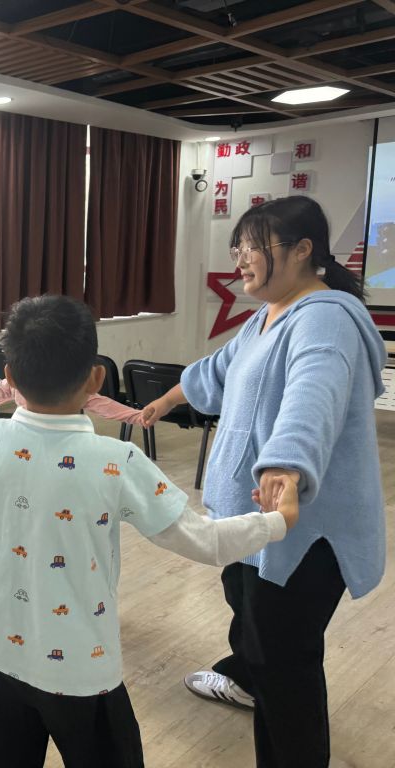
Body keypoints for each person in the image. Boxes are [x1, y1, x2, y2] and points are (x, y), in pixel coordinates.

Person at [0, 294, 301, 768]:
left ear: (9, 378)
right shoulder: (119, 462)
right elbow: (207, 542)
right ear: (96, 379)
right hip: (84, 672)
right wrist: (277, 521)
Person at [140, 196, 386, 768]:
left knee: (287, 669)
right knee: (255, 629)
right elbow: (216, 372)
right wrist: (165, 399)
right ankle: (246, 677)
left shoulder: (324, 318)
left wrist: (287, 464)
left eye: (254, 247)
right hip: (253, 521)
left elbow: (312, 392)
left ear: (302, 251)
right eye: (238, 247)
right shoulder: (268, 315)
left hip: (299, 528)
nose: (241, 259)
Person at [0, 377, 143, 431]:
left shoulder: (68, 385)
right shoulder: (14, 381)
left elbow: (102, 404)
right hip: (25, 447)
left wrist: (139, 416)